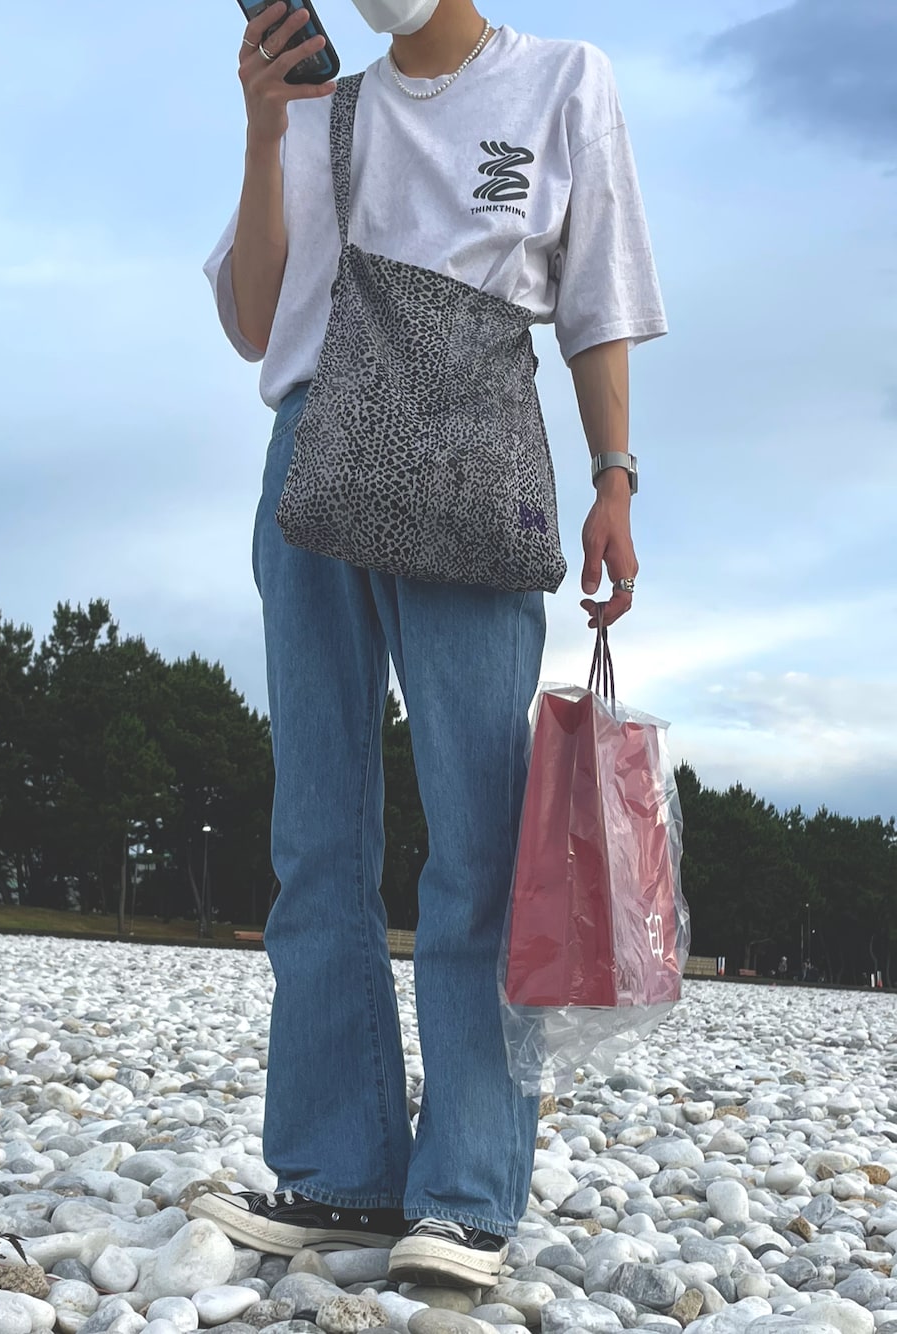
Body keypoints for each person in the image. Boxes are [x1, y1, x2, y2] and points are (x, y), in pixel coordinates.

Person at [190, 0, 667, 1290]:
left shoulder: (563, 80)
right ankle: (338, 1173)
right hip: (312, 456)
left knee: (481, 837)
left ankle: (466, 1191)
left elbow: (599, 289)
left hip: (474, 451)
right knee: (316, 836)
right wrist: (263, 126)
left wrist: (615, 473)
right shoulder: (315, 108)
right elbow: (255, 320)